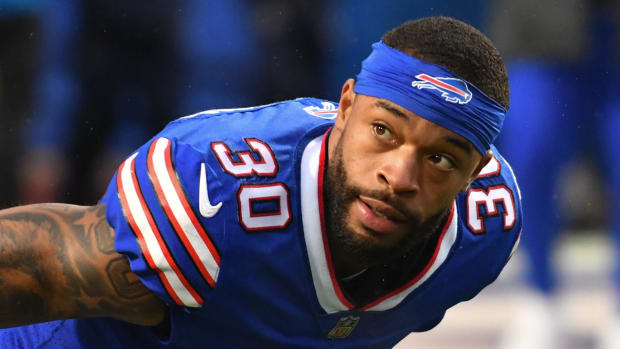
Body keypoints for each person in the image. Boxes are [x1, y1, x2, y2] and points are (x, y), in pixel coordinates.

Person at [0, 16, 521, 348]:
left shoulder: (483, 233)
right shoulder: (222, 197)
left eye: (440, 160)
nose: (400, 176)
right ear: (344, 108)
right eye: (382, 131)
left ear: (474, 174)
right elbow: (35, 263)